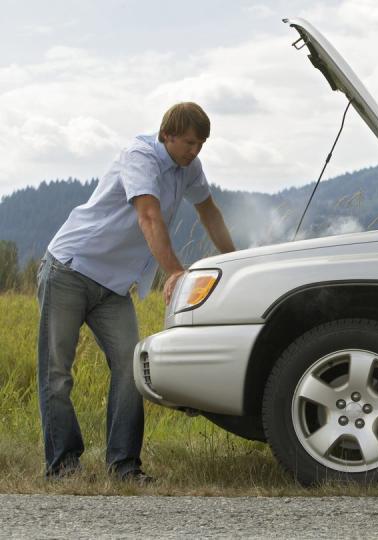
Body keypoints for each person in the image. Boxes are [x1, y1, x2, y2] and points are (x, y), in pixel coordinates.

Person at [36, 102, 236, 482]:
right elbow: (148, 215)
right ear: (167, 135)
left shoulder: (188, 167)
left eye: (201, 144)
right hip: (69, 269)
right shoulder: (139, 155)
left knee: (132, 369)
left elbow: (209, 212)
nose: (195, 151)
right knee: (57, 374)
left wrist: (237, 260)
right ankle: (64, 467)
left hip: (112, 287)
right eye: (190, 143)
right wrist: (174, 271)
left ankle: (124, 467)